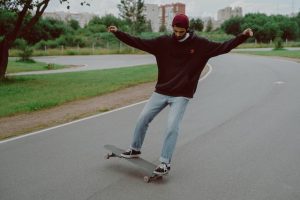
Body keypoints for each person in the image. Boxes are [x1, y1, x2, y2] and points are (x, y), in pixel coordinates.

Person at [108, 14, 253, 175]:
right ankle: (135, 149)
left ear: (187, 29)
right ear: (172, 28)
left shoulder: (200, 45)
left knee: (172, 127)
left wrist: (242, 37)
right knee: (143, 118)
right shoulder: (162, 43)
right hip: (161, 91)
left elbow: (224, 46)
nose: (178, 34)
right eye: (175, 31)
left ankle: (165, 163)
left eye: (181, 32)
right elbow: (138, 42)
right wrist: (118, 33)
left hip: (181, 94)